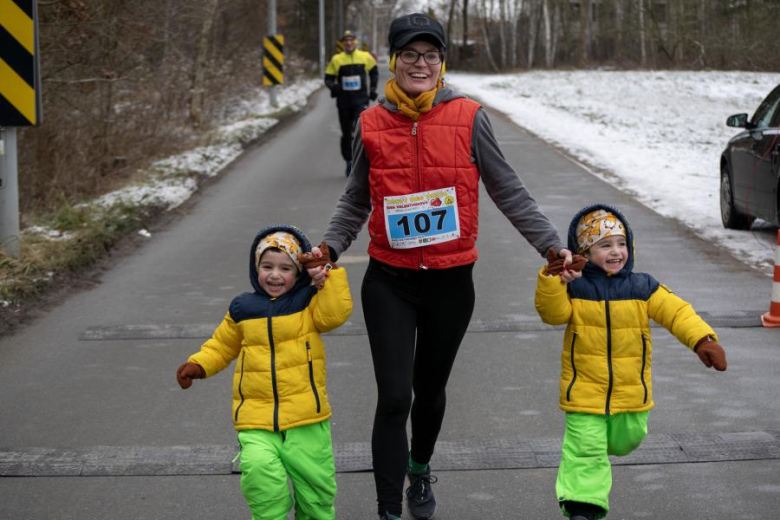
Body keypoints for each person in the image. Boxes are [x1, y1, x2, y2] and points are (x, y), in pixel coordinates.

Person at [311, 12, 573, 520]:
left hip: (451, 284)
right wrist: (330, 246)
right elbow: (355, 200)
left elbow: (508, 189)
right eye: (410, 54)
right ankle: (388, 510)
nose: (421, 64)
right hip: (388, 280)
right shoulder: (371, 122)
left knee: (428, 395)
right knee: (394, 397)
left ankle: (419, 467)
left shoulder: (470, 117)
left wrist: (550, 246)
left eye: (430, 55)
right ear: (393, 59)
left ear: (442, 62)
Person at [535, 203, 728, 520]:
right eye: (604, 245)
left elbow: (677, 312)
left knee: (627, 440)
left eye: (621, 244)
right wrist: (553, 281)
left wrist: (702, 339)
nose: (615, 252)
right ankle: (583, 508)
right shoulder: (576, 286)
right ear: (584, 250)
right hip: (583, 391)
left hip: (631, 395)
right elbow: (552, 314)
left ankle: (599, 460)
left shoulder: (643, 286)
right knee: (586, 450)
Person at [176, 224, 353, 520]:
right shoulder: (243, 308)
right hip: (255, 417)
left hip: (306, 416)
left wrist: (327, 273)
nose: (274, 274)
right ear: (255, 267)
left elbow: (335, 314)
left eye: (285, 268)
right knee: (259, 474)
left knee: (316, 489)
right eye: (266, 266)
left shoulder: (309, 302)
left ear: (298, 272)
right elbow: (221, 345)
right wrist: (198, 365)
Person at [324, 30, 378, 177]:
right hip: (344, 102)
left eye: (351, 40)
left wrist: (373, 88)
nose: (349, 43)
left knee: (362, 131)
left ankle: (365, 162)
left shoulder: (365, 57)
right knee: (347, 133)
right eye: (346, 41)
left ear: (355, 42)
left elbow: (374, 72)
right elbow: (328, 78)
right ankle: (349, 161)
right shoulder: (337, 59)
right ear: (342, 43)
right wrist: (334, 87)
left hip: (361, 100)